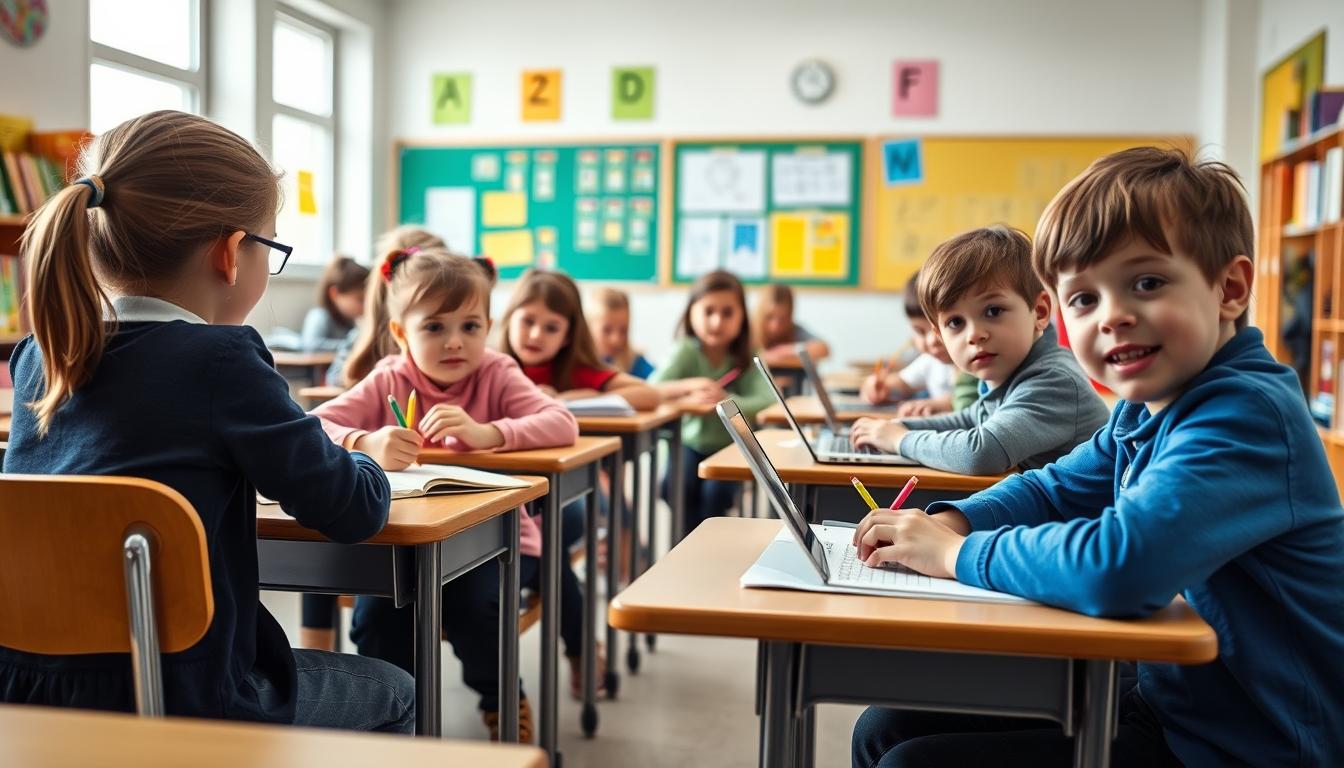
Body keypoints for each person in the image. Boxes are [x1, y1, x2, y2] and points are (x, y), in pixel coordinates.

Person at [851, 147, 1344, 767]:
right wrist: (956, 519)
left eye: (1146, 282)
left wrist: (953, 553)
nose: (1114, 316)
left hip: (1249, 743)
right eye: (1084, 299)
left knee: (909, 762)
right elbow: (1055, 488)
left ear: (1230, 288)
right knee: (885, 727)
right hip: (1173, 699)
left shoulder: (1245, 415)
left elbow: (1121, 567)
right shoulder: (1149, 406)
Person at [1, 110, 413, 732]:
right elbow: (352, 511)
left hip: (29, 690)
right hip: (188, 695)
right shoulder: (222, 358)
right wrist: (367, 459)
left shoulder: (43, 353)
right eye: (270, 250)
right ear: (230, 252)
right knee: (397, 689)